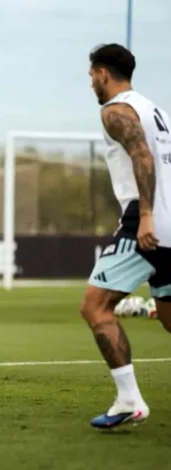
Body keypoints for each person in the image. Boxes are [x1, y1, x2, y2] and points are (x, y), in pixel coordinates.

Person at [81, 43, 171, 429]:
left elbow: (142, 157)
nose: (90, 83)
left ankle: (129, 400)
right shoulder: (156, 110)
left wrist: (148, 216)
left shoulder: (115, 111)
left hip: (147, 221)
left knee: (95, 307)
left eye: (91, 75)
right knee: (168, 316)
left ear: (103, 72)